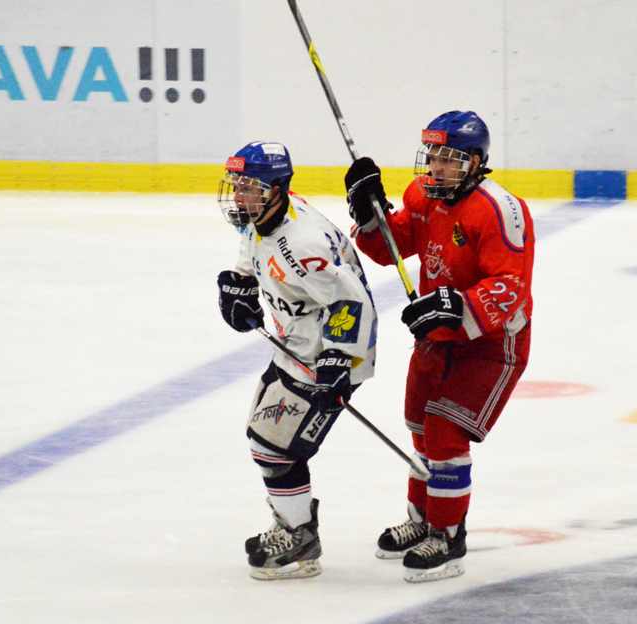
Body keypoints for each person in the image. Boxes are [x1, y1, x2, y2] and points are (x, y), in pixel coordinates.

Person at [344, 111, 535, 583]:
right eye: (433, 156)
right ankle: (423, 519)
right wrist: (369, 217)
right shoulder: (423, 196)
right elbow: (392, 246)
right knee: (420, 431)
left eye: (448, 159)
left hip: (491, 342)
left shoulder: (501, 210)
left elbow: (511, 287)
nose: (436, 167)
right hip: (438, 337)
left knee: (445, 433)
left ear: (475, 163)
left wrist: (455, 306)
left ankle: (448, 537)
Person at [216, 141, 378, 580]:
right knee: (264, 439)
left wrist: (339, 361)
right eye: (236, 185)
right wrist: (239, 283)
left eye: (248, 187)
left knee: (275, 447)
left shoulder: (303, 244)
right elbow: (252, 247)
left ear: (275, 189)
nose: (239, 196)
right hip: (296, 344)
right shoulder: (263, 217)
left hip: (328, 354)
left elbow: (351, 302)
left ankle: (299, 535)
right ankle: (295, 525)